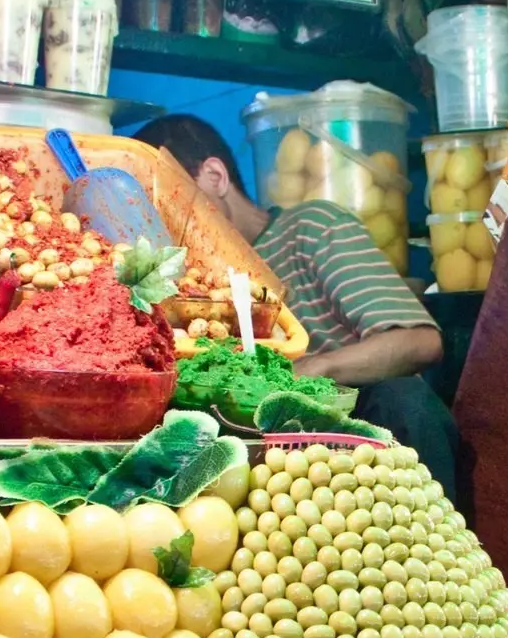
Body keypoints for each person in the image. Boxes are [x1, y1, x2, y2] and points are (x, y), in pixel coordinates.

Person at [129, 113, 461, 502]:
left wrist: (314, 368)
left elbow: (419, 342)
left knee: (401, 398)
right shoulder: (191, 282)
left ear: (215, 177)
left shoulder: (311, 228)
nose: (166, 220)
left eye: (171, 202)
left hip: (368, 456)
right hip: (276, 481)